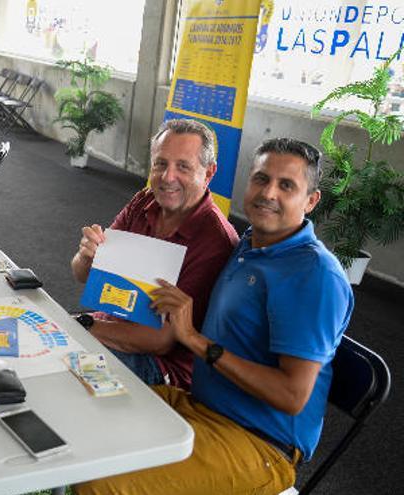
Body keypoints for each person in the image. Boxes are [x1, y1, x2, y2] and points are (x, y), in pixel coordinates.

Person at [74, 138, 354, 494]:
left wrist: (194, 339)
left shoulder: (314, 274)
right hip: (198, 406)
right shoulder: (249, 245)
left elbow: (292, 396)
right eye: (261, 179)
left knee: (103, 485)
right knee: (81, 427)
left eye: (286, 186)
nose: (268, 193)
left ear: (311, 201)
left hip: (258, 443)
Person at [71, 119, 238, 389]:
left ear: (209, 173)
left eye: (183, 166)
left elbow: (159, 341)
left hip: (161, 366)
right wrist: (86, 256)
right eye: (160, 164)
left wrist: (81, 324)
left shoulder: (215, 241)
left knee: (62, 364)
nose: (167, 177)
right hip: (113, 325)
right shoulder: (144, 200)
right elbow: (82, 275)